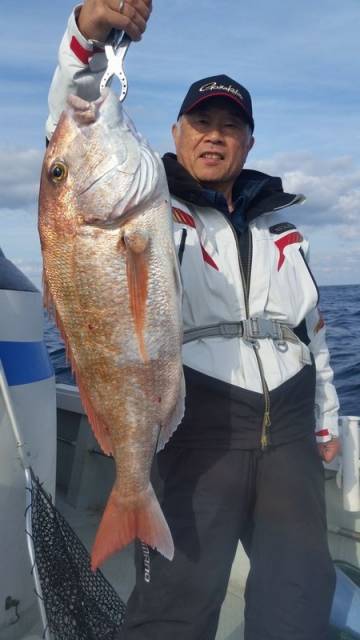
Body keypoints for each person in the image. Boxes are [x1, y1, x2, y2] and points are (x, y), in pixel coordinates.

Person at [46, 1, 341, 638]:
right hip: (200, 420)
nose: (214, 135)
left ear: (249, 141)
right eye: (200, 121)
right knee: (175, 606)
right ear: (175, 134)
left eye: (229, 126)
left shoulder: (283, 230)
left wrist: (325, 420)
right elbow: (73, 124)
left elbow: (312, 333)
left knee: (298, 599)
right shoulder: (152, 205)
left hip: (290, 430)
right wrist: (87, 33)